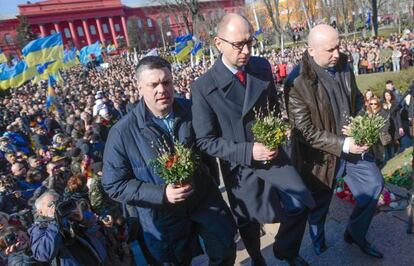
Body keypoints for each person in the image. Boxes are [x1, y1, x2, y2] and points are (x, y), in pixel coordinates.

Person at [191, 13, 315, 266]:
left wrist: (276, 133)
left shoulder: (261, 67)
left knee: (301, 202)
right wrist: (249, 151)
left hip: (271, 153)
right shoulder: (203, 87)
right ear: (219, 43)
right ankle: (258, 258)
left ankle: (286, 250)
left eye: (250, 42)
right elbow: (205, 141)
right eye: (239, 44)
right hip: (240, 164)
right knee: (248, 220)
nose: (246, 51)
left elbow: (270, 110)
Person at [102, 56, 237, 265]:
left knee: (225, 247)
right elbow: (113, 185)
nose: (161, 89)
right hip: (161, 214)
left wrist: (210, 178)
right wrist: (161, 193)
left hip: (202, 198)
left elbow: (210, 147)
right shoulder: (122, 132)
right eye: (153, 84)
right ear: (139, 88)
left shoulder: (193, 110)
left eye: (166, 82)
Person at [288, 24, 384, 259]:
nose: (337, 54)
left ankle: (355, 233)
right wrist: (343, 144)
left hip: (352, 144)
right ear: (311, 50)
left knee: (373, 185)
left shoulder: (343, 64)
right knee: (319, 205)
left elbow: (358, 100)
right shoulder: (296, 82)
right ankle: (318, 241)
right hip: (319, 156)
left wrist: (359, 123)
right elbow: (304, 131)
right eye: (330, 50)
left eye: (338, 47)